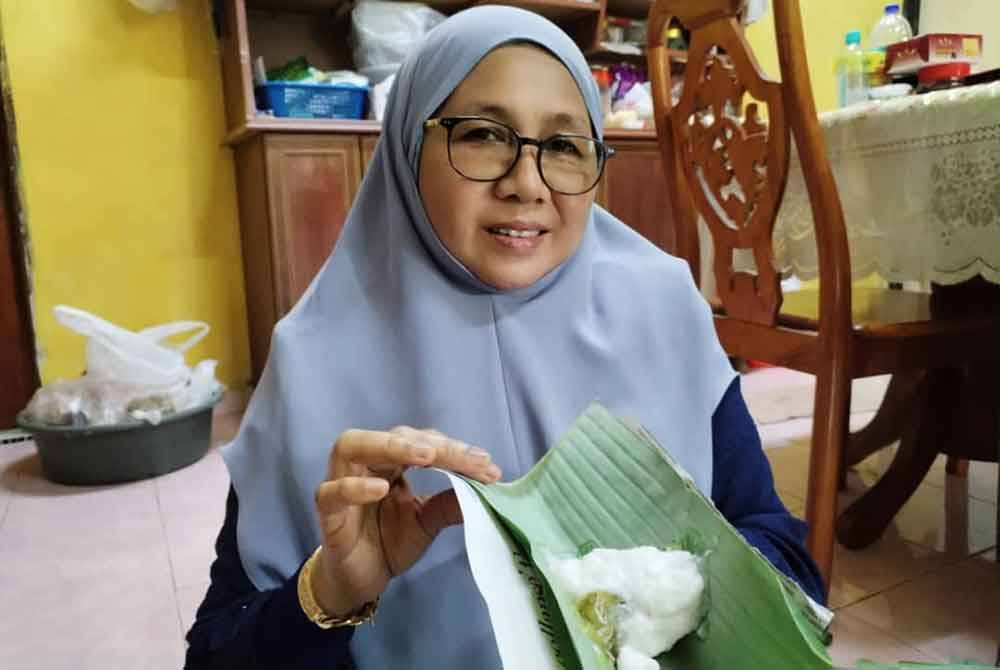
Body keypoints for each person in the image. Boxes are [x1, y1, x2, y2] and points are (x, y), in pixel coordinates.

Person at [185, 6, 824, 669]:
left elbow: (783, 554)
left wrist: (680, 592)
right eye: (485, 136)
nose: (526, 183)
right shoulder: (315, 360)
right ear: (409, 145)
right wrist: (332, 593)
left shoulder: (661, 307)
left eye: (566, 145)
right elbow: (214, 655)